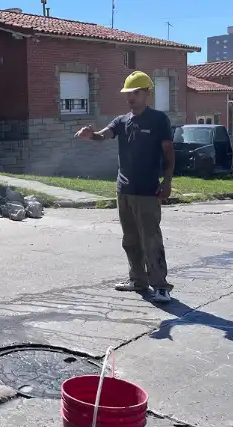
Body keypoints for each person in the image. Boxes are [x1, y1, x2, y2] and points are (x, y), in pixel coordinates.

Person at [74, 71, 175, 303]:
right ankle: (137, 280)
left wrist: (167, 181)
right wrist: (92, 135)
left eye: (136, 92)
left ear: (147, 93)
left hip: (148, 191)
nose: (131, 97)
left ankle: (160, 285)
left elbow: (169, 152)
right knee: (130, 239)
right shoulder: (121, 120)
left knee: (151, 240)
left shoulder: (159, 120)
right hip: (124, 190)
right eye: (129, 92)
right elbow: (104, 135)